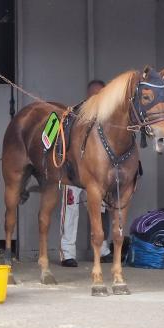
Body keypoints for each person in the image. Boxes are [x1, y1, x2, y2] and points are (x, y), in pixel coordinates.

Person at [60, 79, 112, 267]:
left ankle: (103, 249)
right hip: (73, 174)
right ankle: (67, 253)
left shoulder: (108, 118)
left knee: (99, 211)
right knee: (71, 211)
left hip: (97, 175)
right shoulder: (75, 114)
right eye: (95, 95)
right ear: (88, 95)